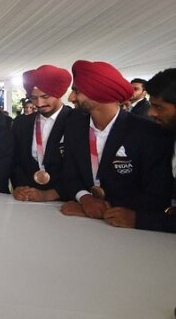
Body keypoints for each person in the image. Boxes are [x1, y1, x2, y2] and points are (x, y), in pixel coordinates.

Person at [60, 61, 172, 220]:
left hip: (131, 232)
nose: (71, 98)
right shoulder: (74, 127)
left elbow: (158, 194)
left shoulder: (149, 133)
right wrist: (85, 198)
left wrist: (105, 207)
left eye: (76, 91)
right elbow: (70, 175)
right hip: (82, 226)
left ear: (98, 93)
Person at [103, 68, 176, 232]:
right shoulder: (167, 135)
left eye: (159, 107)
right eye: (151, 105)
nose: (151, 113)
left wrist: (140, 219)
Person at [11, 65, 75, 202]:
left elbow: (79, 168)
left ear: (59, 94)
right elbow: (15, 161)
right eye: (33, 98)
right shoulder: (21, 123)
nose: (39, 103)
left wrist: (53, 194)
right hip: (27, 199)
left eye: (45, 96)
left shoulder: (76, 122)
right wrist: (20, 187)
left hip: (65, 200)